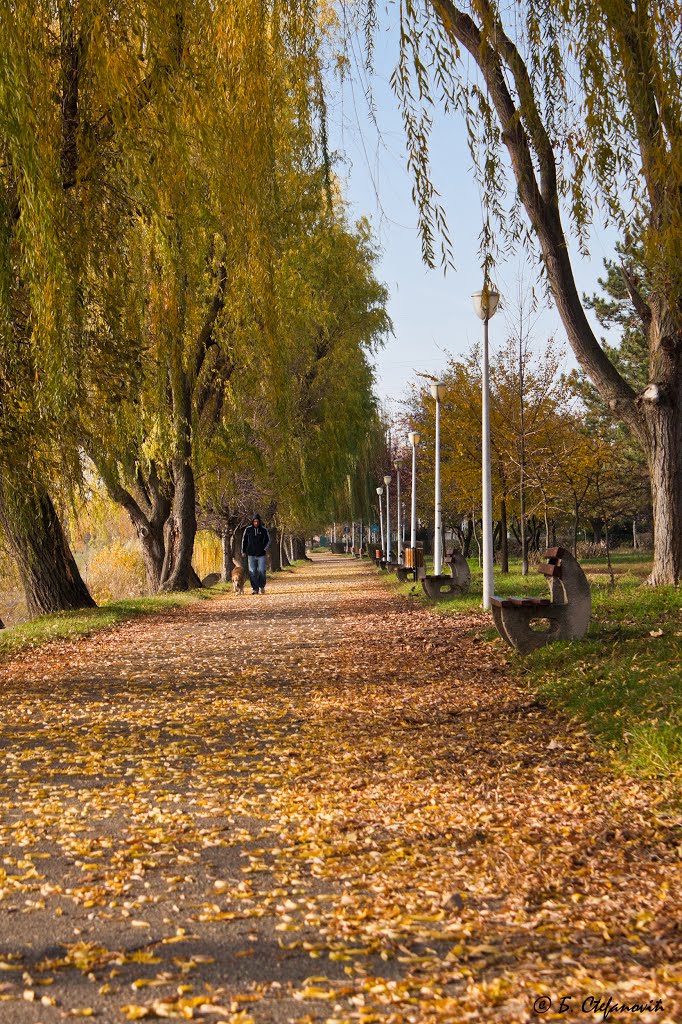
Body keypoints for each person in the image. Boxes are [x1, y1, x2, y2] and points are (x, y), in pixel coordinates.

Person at [241, 514, 270, 595]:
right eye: (254, 521)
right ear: (252, 522)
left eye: (257, 521)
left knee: (261, 571)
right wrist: (243, 551)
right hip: (251, 554)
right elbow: (244, 541)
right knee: (252, 572)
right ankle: (255, 589)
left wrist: (264, 549)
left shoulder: (264, 530)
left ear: (259, 522)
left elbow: (268, 541)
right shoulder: (248, 530)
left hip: (261, 555)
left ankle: (262, 586)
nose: (256, 523)